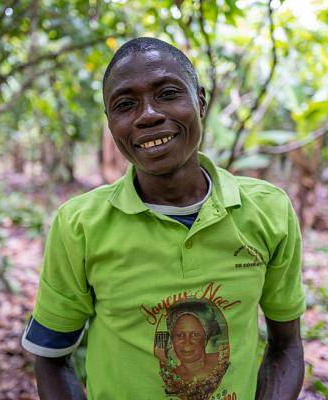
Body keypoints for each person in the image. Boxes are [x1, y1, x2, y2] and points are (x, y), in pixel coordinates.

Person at [22, 37, 306, 399]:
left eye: (168, 94)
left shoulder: (269, 211)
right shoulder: (79, 225)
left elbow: (285, 347)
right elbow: (50, 358)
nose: (148, 115)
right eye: (125, 105)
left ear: (200, 101)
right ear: (111, 123)